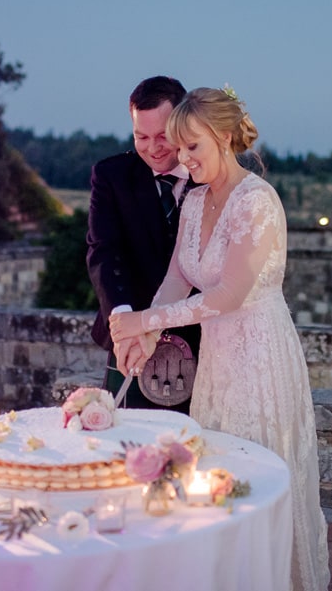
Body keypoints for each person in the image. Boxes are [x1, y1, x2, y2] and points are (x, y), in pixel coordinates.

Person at [109, 86, 331, 591]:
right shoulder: (193, 200)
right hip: (219, 360)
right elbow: (174, 281)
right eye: (179, 148)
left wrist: (143, 322)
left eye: (193, 147)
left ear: (225, 137)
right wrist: (147, 331)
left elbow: (230, 294)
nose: (183, 159)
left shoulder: (257, 200)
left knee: (257, 475)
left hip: (259, 355)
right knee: (215, 475)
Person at [86, 76, 200, 412]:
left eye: (163, 136)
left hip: (205, 344)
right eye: (141, 136)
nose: (153, 148)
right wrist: (123, 323)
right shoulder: (111, 175)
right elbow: (103, 250)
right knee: (127, 452)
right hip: (129, 341)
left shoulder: (209, 174)